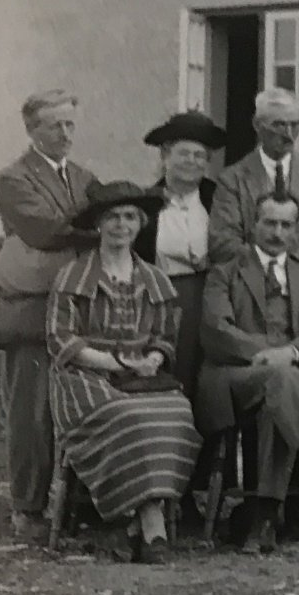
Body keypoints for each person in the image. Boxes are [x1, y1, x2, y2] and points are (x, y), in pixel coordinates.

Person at [47, 182, 203, 563]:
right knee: (128, 416)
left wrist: (152, 359)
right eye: (113, 217)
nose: (121, 225)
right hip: (84, 376)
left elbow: (166, 338)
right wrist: (112, 363)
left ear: (141, 224)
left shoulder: (156, 280)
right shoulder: (73, 277)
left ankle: (133, 521)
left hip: (140, 376)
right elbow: (59, 339)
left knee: (177, 414)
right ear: (99, 224)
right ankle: (151, 525)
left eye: (130, 217)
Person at [197, 190, 299, 554]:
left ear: (297, 231)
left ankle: (264, 521)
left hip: (290, 380)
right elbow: (216, 331)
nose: (277, 232)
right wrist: (272, 357)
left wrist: (292, 353)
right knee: (283, 382)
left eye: (286, 225)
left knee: (278, 402)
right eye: (269, 222)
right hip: (234, 376)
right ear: (253, 224)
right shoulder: (225, 273)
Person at [0, 89, 99, 538]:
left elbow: (95, 218)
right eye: (55, 125)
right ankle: (27, 506)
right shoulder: (12, 179)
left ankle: (76, 503)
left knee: (81, 404)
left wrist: (93, 222)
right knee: (30, 411)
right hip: (33, 306)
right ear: (31, 129)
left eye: (71, 124)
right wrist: (93, 225)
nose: (65, 133)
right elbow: (44, 229)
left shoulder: (83, 175)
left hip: (77, 302)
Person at [134, 111, 225, 398]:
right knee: (171, 372)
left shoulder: (220, 199)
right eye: (184, 153)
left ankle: (208, 442)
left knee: (209, 382)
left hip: (211, 298)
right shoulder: (145, 203)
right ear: (165, 155)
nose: (192, 162)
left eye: (200, 156)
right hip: (159, 299)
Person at [208, 89, 299, 272]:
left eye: (295, 125)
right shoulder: (232, 179)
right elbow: (223, 240)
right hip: (250, 287)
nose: (289, 134)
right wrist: (265, 266)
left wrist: (293, 265)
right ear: (258, 125)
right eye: (279, 125)